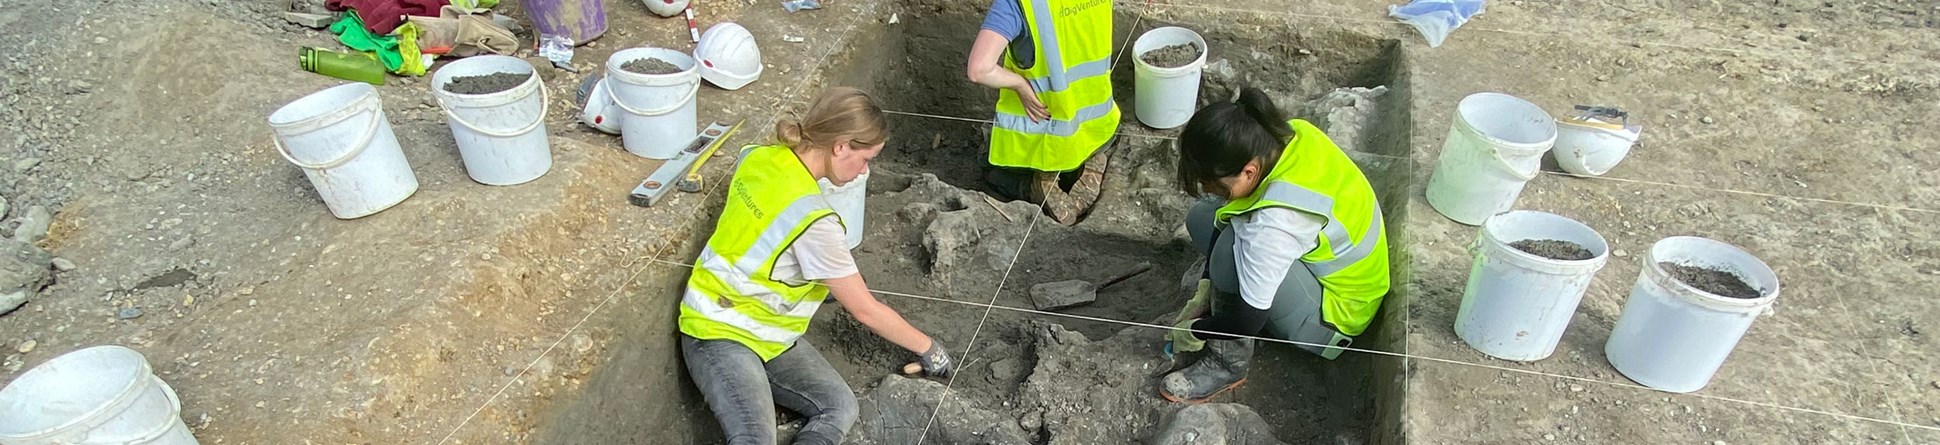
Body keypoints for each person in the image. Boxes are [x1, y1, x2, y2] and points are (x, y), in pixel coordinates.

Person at [678, 87, 956, 444]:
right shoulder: (813, 222)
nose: (863, 171)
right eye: (866, 158)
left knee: (840, 406)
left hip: (769, 334)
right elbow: (865, 309)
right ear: (840, 146)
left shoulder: (761, 157)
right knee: (754, 438)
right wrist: (929, 348)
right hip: (716, 333)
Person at [1159, 87, 1391, 403]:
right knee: (1204, 217)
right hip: (1336, 272)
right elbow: (1228, 215)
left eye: (1214, 182)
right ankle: (1226, 289)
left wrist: (1198, 330)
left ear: (1249, 171)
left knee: (1231, 253)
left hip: (1333, 316)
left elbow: (1246, 321)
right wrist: (1205, 286)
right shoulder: (1287, 137)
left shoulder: (1276, 224)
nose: (1207, 187)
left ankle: (1227, 364)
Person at [966, 0, 1121, 225]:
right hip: (1098, 127)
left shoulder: (1017, 4)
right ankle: (1085, 166)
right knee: (1085, 149)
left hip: (1047, 138)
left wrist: (1020, 85)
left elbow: (979, 70)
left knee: (988, 164)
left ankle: (1034, 187)